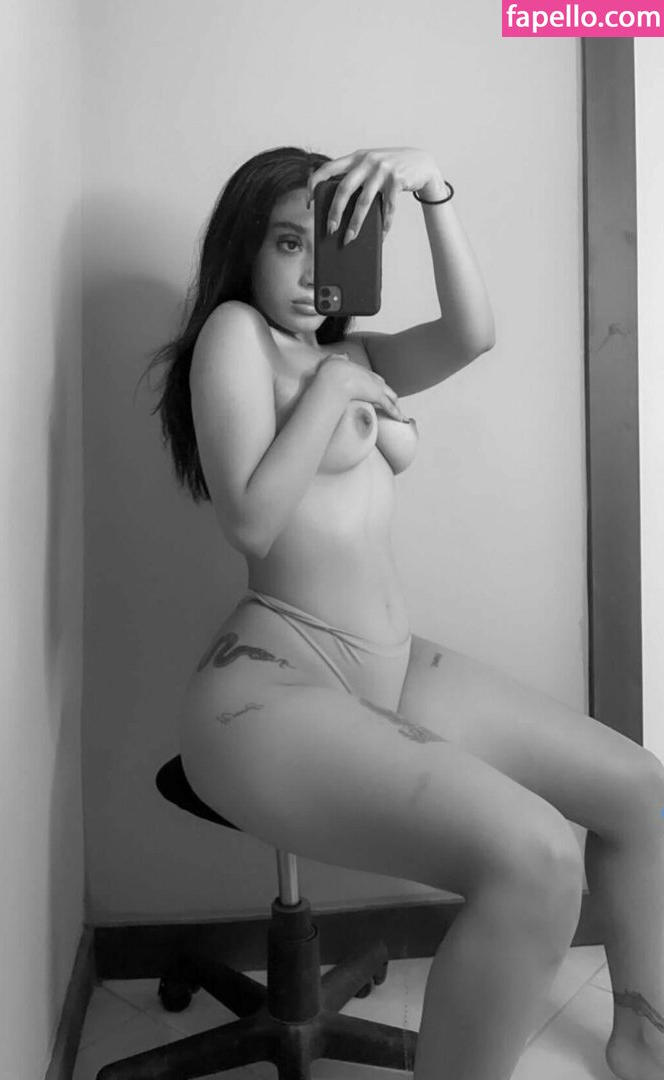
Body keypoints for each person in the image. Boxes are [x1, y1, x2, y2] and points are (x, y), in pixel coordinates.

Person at [145, 145, 664, 1080]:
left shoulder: (354, 355)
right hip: (270, 686)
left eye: (332, 244)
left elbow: (473, 334)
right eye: (289, 242)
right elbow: (250, 521)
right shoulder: (236, 335)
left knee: (638, 789)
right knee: (539, 859)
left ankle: (644, 1036)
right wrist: (334, 395)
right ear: (245, 248)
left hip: (387, 664)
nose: (311, 270)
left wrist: (433, 191)